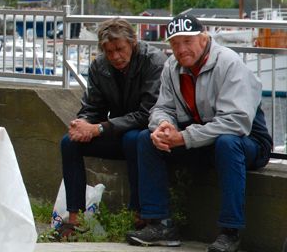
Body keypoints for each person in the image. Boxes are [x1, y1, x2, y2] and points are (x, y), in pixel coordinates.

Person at [127, 15, 272, 252]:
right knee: (146, 138)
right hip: (203, 139)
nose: (181, 49)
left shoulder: (229, 62)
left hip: (247, 141)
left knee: (227, 143)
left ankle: (230, 233)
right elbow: (162, 107)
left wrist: (184, 137)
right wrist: (164, 126)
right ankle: (159, 223)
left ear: (204, 38)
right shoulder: (171, 68)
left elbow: (236, 122)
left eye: (187, 41)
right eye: (175, 44)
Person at [57, 18, 166, 239]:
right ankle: (75, 218)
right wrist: (83, 124)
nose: (115, 56)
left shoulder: (153, 61)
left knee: (134, 139)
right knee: (69, 143)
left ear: (133, 42)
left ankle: (140, 214)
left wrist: (100, 129)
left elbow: (148, 114)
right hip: (115, 130)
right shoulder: (99, 66)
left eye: (119, 49)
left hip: (145, 131)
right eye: (109, 51)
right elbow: (92, 107)